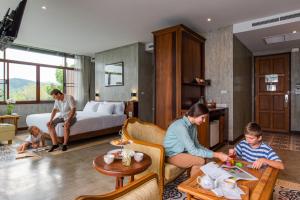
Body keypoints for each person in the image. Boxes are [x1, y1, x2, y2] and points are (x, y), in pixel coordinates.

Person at [163, 103, 230, 177]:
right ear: (195, 115)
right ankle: (193, 185)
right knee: (200, 160)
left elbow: (197, 145)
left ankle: (196, 182)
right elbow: (193, 150)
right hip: (172, 155)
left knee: (206, 160)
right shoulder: (181, 126)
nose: (204, 121)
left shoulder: (193, 126)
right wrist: (217, 155)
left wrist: (215, 153)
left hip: (183, 152)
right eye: (203, 117)